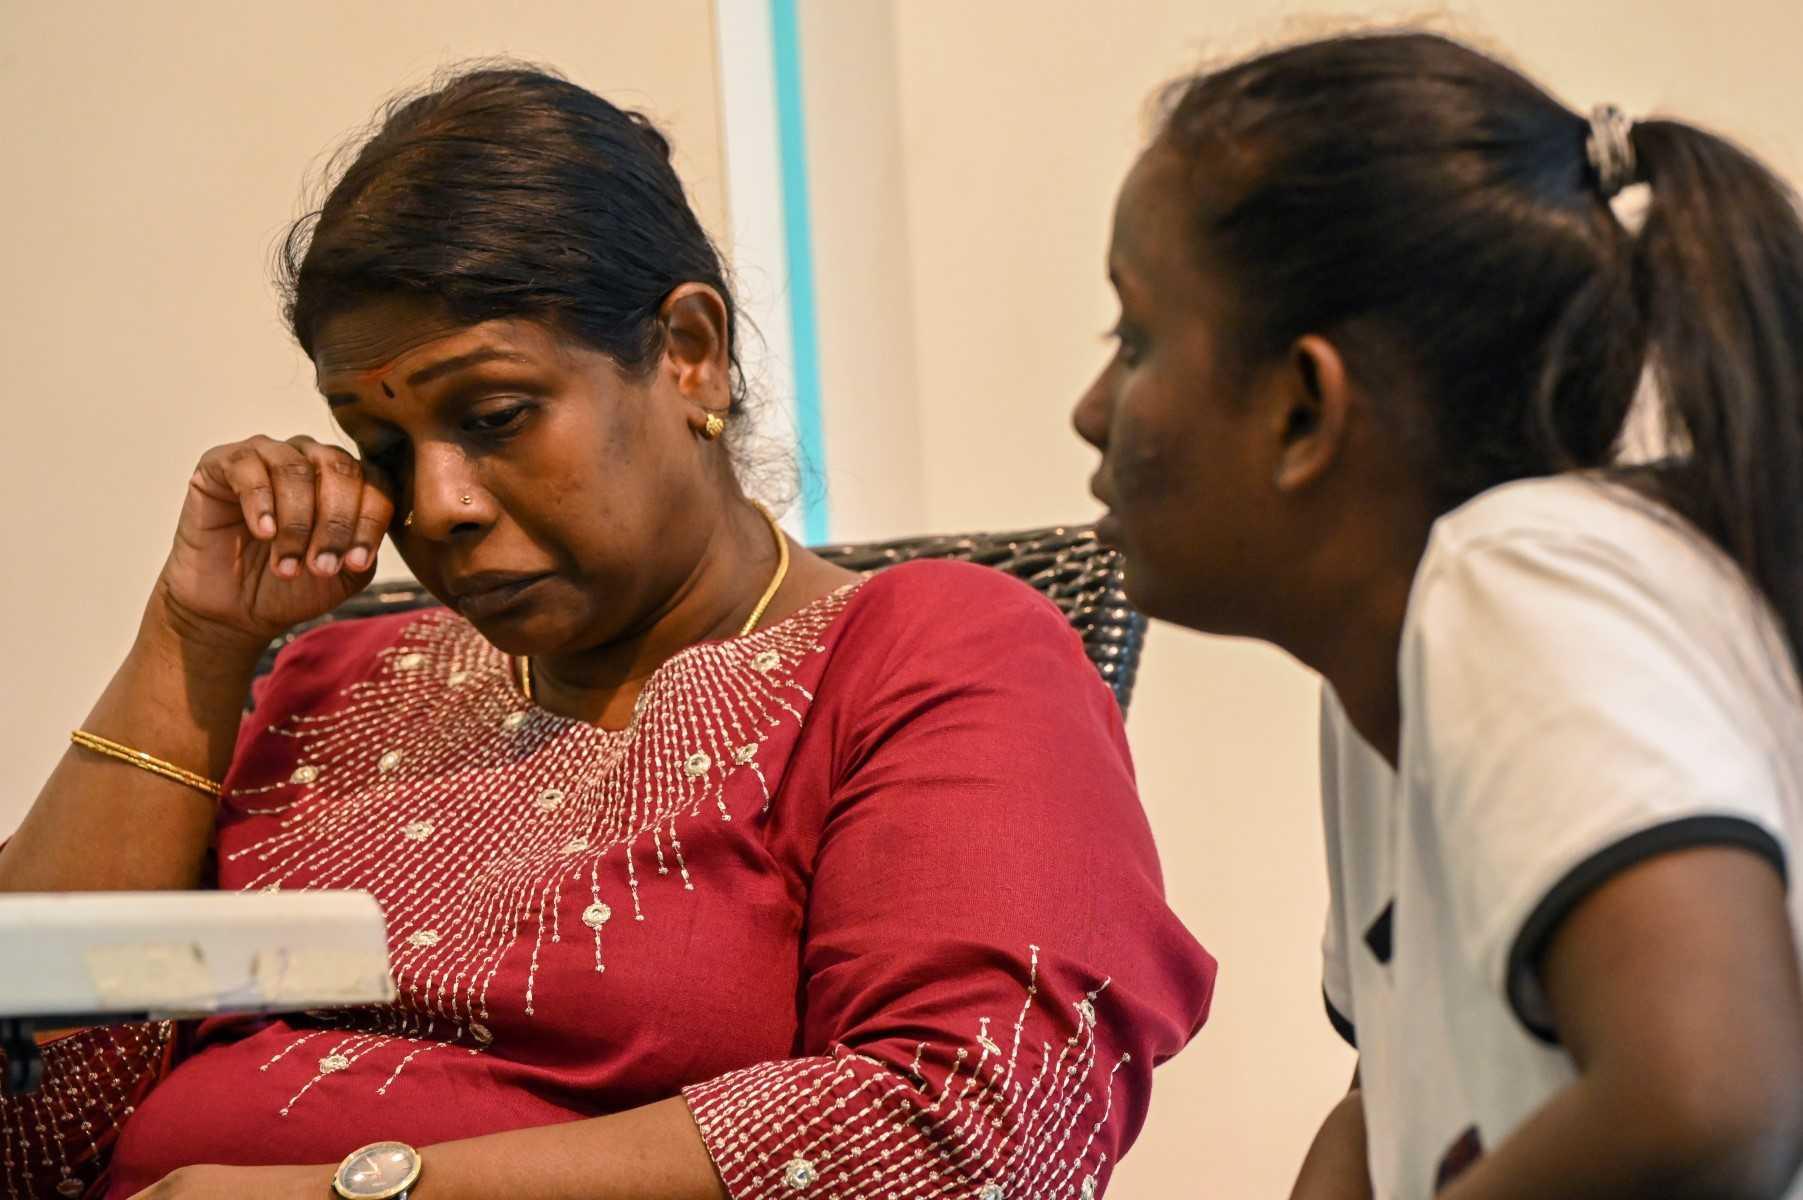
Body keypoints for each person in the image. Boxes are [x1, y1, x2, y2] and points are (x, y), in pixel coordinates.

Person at [0, 66, 1215, 1199]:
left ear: (690, 355)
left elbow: (974, 1127)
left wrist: (355, 1192)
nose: (437, 505)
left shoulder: (925, 654)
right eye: (381, 449)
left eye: (494, 414)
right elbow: (28, 1127)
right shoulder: (332, 681)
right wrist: (192, 642)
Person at [1073, 29, 1803, 1200]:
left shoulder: (1514, 573)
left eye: (1137, 336)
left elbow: (1713, 1099)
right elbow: (1385, 1111)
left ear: (1304, 409)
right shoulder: (1383, 675)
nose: (1091, 410)